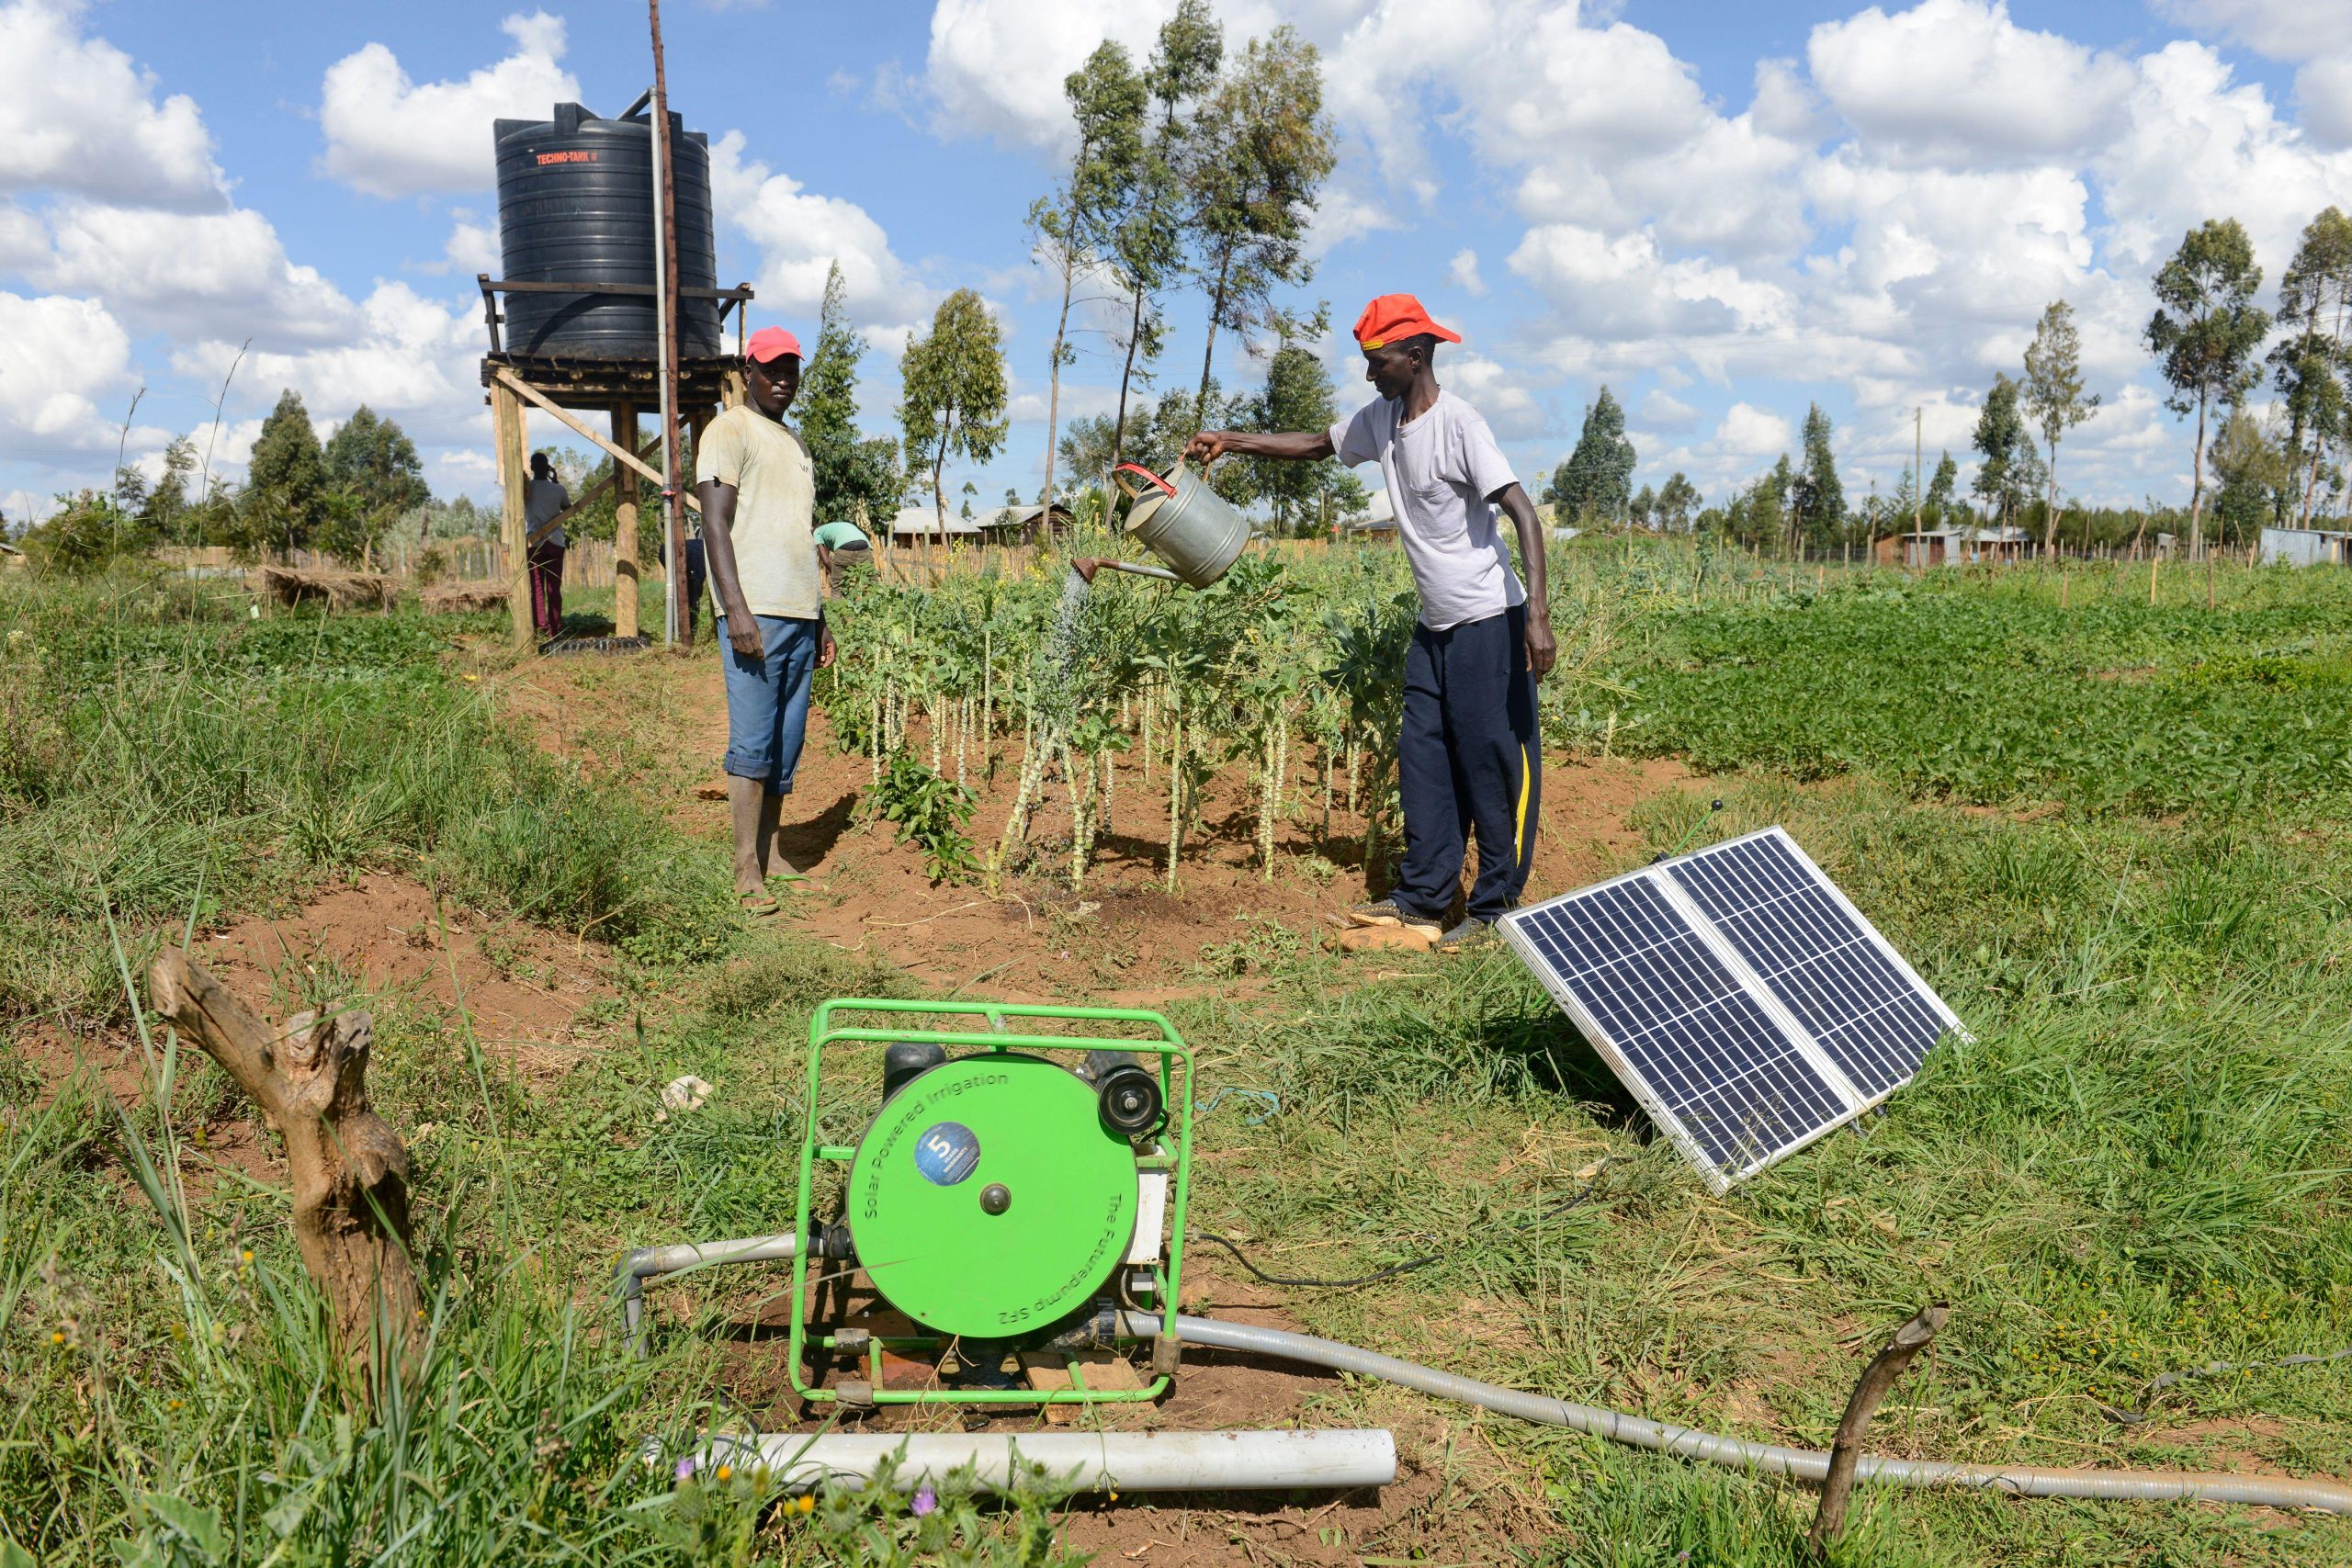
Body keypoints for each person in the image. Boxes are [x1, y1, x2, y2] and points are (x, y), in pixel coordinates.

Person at [1184, 293, 1555, 953]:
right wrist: (1231, 440)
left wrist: (1538, 620)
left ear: (1416, 356)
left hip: (1488, 624)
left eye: (1377, 362)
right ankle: (1423, 899)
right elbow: (1316, 446)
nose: (1369, 374)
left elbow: (1524, 514)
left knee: (1494, 765)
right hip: (1435, 629)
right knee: (1425, 763)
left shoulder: (1462, 425)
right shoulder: (1382, 419)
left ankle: (1497, 910)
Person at [697, 324, 837, 917]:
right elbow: (713, 522)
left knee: (785, 743)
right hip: (756, 614)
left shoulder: (796, 444)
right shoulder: (729, 428)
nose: (782, 377)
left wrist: (821, 616)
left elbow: (799, 537)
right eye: (771, 367)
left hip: (799, 613)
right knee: (752, 743)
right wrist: (736, 609)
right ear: (747, 370)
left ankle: (773, 853)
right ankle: (743, 871)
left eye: (791, 368)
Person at [524, 452, 570, 640]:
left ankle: (540, 627)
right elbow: (568, 509)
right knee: (554, 587)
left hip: (534, 543)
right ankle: (555, 629)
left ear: (532, 468)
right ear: (548, 467)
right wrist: (556, 482)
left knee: (537, 587)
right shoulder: (559, 490)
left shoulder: (527, 489)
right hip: (555, 542)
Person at [814, 518, 872, 593]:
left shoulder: (817, 531)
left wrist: (835, 575)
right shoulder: (843, 525)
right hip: (865, 546)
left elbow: (826, 560)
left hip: (844, 547)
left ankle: (839, 604)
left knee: (837, 588)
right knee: (872, 583)